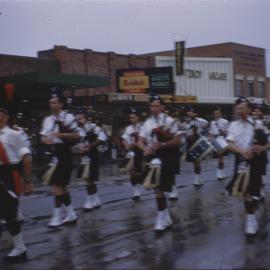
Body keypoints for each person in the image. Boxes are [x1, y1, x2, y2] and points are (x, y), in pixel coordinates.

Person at [226, 97, 270, 236]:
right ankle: (251, 219)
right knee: (244, 191)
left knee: (251, 191)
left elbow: (269, 142)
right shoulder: (233, 125)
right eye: (238, 108)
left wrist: (262, 148)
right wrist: (241, 151)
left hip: (255, 161)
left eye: (243, 108)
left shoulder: (258, 124)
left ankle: (251, 219)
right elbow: (229, 144)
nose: (240, 111)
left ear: (249, 109)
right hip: (242, 161)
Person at [138, 95, 181, 232]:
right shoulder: (147, 123)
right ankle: (162, 218)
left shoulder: (170, 121)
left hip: (167, 156)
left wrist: (163, 144)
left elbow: (178, 140)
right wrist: (145, 148)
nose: (154, 109)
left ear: (163, 107)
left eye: (156, 106)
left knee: (161, 188)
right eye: (151, 106)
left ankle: (163, 217)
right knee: (157, 189)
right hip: (152, 157)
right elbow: (139, 140)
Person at [40, 92, 81, 228]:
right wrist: (45, 139)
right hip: (54, 152)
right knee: (62, 185)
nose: (51, 105)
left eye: (54, 102)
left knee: (57, 184)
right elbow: (43, 136)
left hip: (65, 153)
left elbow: (77, 135)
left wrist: (61, 134)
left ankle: (57, 215)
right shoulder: (48, 120)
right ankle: (70, 214)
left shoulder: (69, 118)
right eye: (50, 102)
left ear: (61, 104)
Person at [0, 107, 32, 262]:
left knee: (10, 214)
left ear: (5, 117)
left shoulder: (14, 135)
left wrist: (27, 181)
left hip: (9, 175)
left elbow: (26, 158)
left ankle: (20, 248)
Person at [76, 111, 107, 210]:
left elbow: (102, 138)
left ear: (86, 118)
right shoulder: (77, 129)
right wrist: (78, 148)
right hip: (83, 156)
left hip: (93, 156)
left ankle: (89, 201)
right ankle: (96, 199)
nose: (79, 120)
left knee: (90, 179)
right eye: (78, 118)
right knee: (88, 179)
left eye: (81, 118)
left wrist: (90, 146)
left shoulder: (94, 127)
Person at [121, 108, 144, 200]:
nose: (131, 119)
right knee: (131, 171)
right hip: (132, 151)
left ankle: (140, 186)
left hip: (141, 150)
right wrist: (128, 147)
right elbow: (124, 139)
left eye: (133, 117)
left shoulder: (143, 126)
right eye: (130, 117)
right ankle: (136, 190)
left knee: (139, 171)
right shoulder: (128, 128)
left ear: (138, 117)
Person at [184, 107, 208, 188]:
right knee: (194, 162)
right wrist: (189, 122)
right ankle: (198, 177)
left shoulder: (199, 120)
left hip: (198, 142)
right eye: (189, 112)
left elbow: (206, 123)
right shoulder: (186, 121)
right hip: (190, 142)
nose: (190, 113)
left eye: (192, 112)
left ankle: (196, 180)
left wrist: (196, 118)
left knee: (197, 161)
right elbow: (184, 128)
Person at [209, 107, 229, 181]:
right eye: (214, 113)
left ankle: (219, 172)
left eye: (217, 113)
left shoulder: (225, 121)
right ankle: (222, 172)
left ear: (220, 113)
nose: (216, 114)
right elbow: (211, 132)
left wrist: (224, 131)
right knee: (219, 157)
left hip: (222, 140)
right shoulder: (212, 122)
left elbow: (228, 132)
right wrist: (210, 139)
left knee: (221, 157)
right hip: (215, 140)